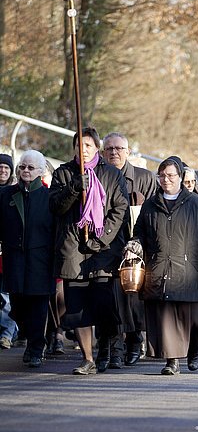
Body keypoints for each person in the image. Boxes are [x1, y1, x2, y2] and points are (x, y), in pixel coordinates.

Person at [124, 155, 198, 375]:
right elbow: (140, 233)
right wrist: (134, 246)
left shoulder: (196, 203)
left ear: (180, 177)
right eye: (162, 176)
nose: (166, 180)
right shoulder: (150, 205)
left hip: (189, 271)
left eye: (170, 175)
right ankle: (172, 361)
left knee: (191, 319)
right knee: (167, 321)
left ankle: (193, 351)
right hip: (160, 269)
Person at [49, 126, 129, 375]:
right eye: (78, 145)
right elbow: (55, 207)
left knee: (104, 304)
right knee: (78, 309)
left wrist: (102, 240)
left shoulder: (112, 174)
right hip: (73, 250)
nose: (82, 150)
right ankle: (87, 358)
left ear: (97, 148)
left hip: (103, 251)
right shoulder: (63, 173)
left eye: (87, 145)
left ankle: (106, 348)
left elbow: (120, 209)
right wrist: (73, 188)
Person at [98, 132, 156, 370]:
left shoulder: (144, 178)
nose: (114, 152)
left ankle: (134, 340)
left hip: (135, 247)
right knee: (110, 299)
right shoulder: (97, 176)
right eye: (109, 148)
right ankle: (114, 347)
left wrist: (138, 245)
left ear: (128, 152)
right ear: (103, 152)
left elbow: (153, 214)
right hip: (106, 245)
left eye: (119, 148)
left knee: (132, 300)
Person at [0, 150, 56, 367]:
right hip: (14, 259)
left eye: (30, 168)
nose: (25, 171)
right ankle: (26, 334)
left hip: (40, 261)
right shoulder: (6, 194)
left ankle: (35, 349)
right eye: (22, 166)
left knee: (38, 308)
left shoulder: (49, 196)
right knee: (17, 307)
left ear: (40, 171)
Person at [0, 153, 18, 349]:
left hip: (8, 251)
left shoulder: (14, 192)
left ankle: (7, 333)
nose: (3, 171)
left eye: (6, 167)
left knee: (7, 295)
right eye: (0, 167)